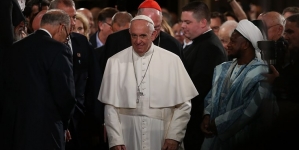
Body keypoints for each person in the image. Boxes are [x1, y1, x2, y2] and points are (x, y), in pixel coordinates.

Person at [98, 15, 198, 150]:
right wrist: (115, 139)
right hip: (127, 133)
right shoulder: (115, 61)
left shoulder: (172, 60)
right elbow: (110, 106)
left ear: (154, 34)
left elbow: (184, 104)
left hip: (162, 133)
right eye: (134, 36)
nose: (138, 41)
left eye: (143, 36)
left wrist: (174, 136)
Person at [0, 9, 76, 150]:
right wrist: (65, 124)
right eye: (67, 34)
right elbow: (65, 95)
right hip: (46, 132)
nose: (66, 39)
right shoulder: (59, 50)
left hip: (14, 131)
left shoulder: (15, 48)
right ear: (61, 27)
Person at [200, 19, 276, 150]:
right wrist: (206, 116)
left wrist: (217, 124)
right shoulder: (222, 68)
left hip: (241, 139)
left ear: (246, 44)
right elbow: (211, 96)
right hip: (213, 138)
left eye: (233, 41)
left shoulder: (261, 72)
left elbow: (250, 109)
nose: (228, 45)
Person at [49, 0, 100, 150]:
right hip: (53, 124)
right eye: (67, 18)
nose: (72, 22)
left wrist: (96, 121)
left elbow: (94, 83)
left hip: (81, 124)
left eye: (74, 17)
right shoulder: (43, 46)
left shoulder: (82, 43)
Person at [180, 1, 227, 149]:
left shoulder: (210, 48)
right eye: (182, 21)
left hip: (197, 122)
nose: (182, 26)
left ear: (203, 22)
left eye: (187, 22)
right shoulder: (200, 43)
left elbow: (198, 89)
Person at [101, 0, 183, 72]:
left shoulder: (173, 45)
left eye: (156, 27)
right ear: (137, 18)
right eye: (147, 27)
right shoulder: (115, 40)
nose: (152, 32)